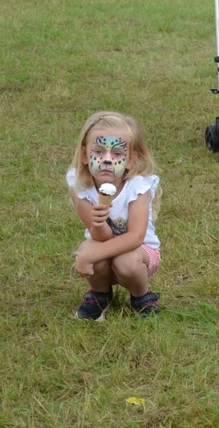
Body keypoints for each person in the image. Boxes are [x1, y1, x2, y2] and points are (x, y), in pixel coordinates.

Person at [68, 111, 162, 320]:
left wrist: (91, 256)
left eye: (118, 154)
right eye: (98, 151)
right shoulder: (79, 186)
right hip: (104, 244)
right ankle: (100, 295)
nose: (107, 160)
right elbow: (101, 237)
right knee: (89, 248)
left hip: (140, 252)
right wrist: (98, 223)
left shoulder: (138, 187)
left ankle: (142, 296)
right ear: (84, 155)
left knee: (125, 262)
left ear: (130, 160)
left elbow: (136, 237)